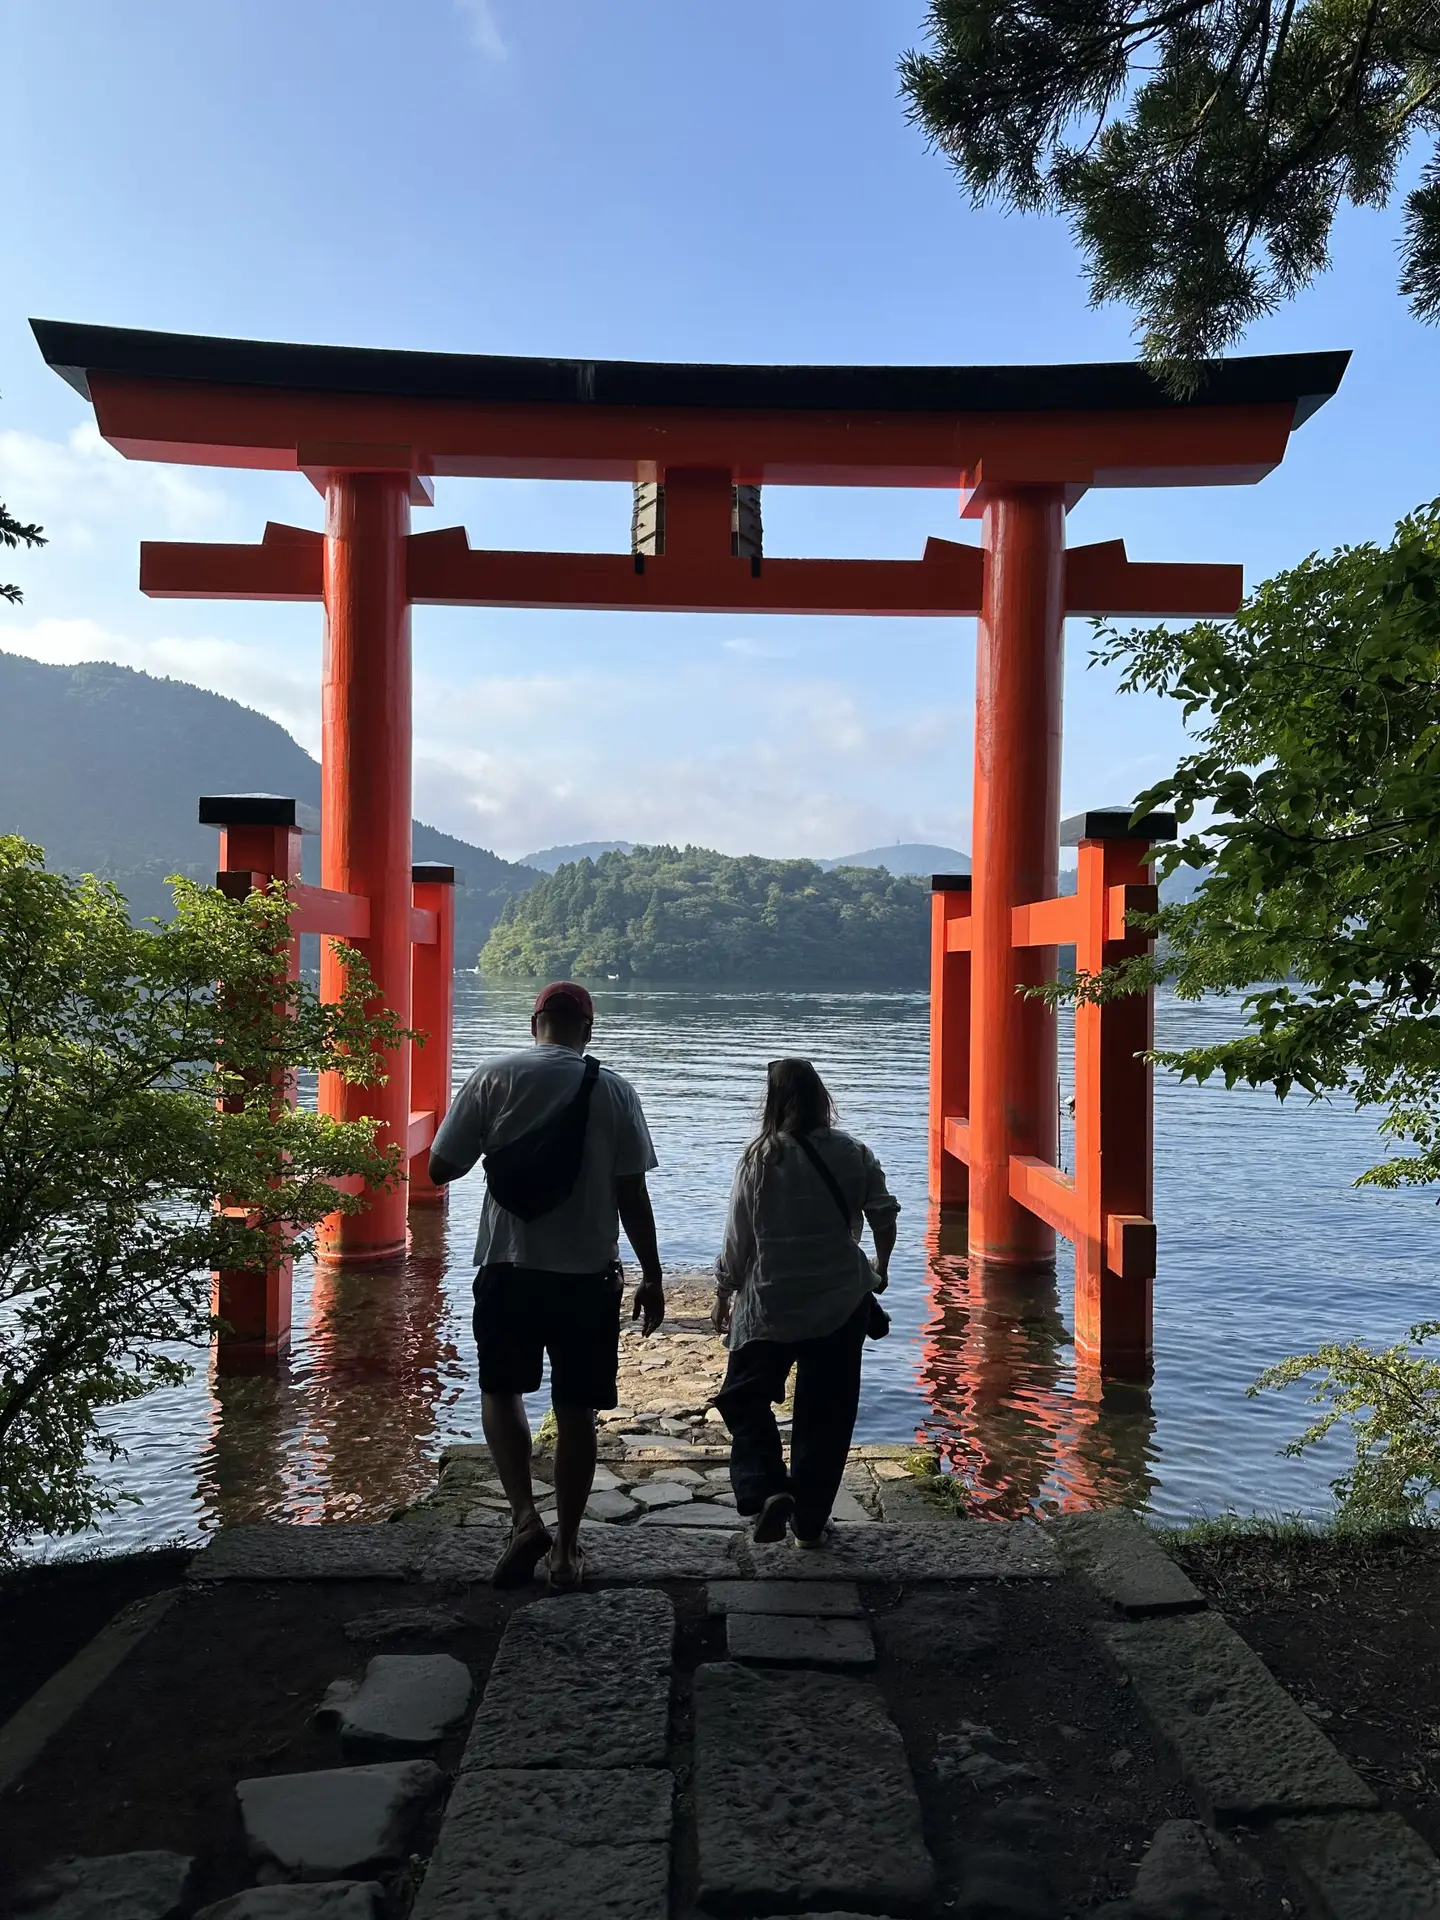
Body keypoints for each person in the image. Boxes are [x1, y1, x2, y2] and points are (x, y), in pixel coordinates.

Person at [428, 981, 664, 1591]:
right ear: (588, 1029)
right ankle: (566, 1549)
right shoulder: (613, 1089)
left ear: (536, 1021)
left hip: (508, 1266)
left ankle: (524, 1517)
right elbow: (631, 1194)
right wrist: (653, 1274)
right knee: (576, 1408)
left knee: (501, 1391)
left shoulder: (492, 1075)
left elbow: (440, 1167)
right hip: (587, 1276)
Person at [711, 1057, 899, 1547]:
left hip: (770, 1302)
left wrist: (724, 1290)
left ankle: (770, 1488)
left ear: (771, 1102)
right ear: (822, 1098)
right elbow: (884, 1213)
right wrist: (879, 1267)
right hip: (839, 1304)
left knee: (742, 1396)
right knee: (827, 1415)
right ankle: (811, 1522)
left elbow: (739, 1239)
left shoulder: (759, 1157)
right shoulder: (854, 1151)